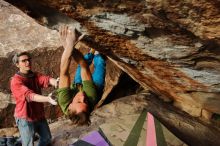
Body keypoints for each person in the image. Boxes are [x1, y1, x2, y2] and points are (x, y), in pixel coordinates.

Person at [57, 26, 106, 125]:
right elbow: (85, 67)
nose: (83, 97)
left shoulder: (64, 101)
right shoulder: (91, 97)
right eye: (85, 102)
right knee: (100, 62)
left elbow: (64, 72)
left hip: (77, 85)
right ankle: (96, 53)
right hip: (95, 86)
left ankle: (90, 53)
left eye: (79, 102)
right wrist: (69, 45)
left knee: (81, 65)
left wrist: (68, 46)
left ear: (70, 106)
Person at [10, 51, 58, 146]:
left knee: (47, 138)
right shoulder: (16, 81)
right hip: (25, 117)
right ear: (17, 65)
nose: (28, 62)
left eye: (28, 60)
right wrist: (48, 99)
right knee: (28, 143)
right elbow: (30, 95)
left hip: (38, 115)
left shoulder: (34, 75)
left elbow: (45, 79)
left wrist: (55, 82)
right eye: (24, 61)